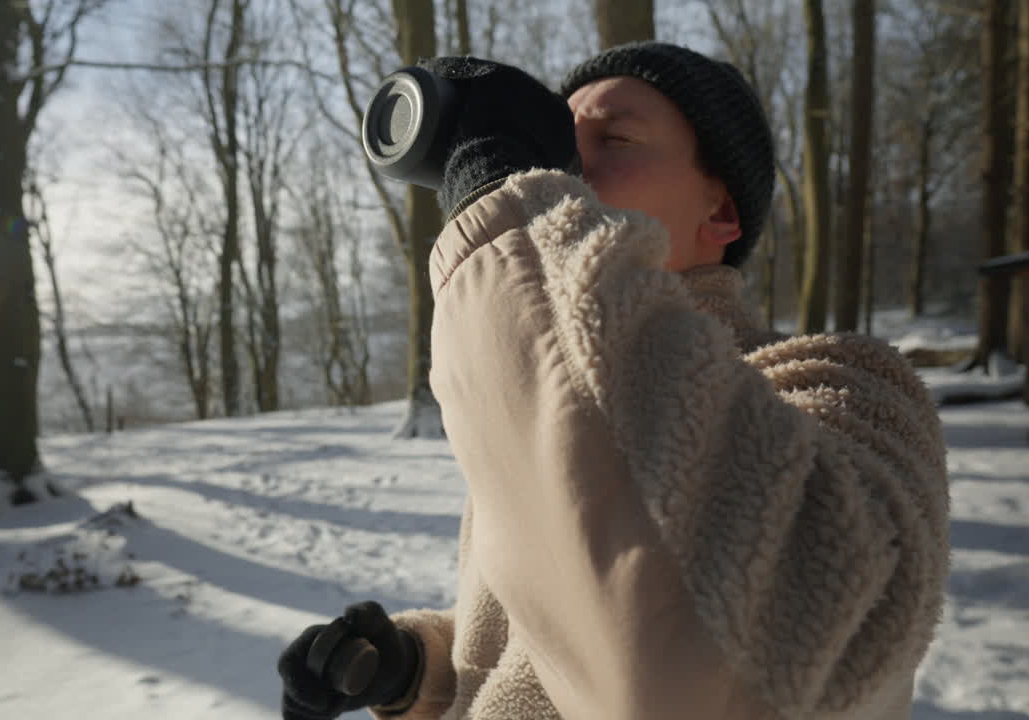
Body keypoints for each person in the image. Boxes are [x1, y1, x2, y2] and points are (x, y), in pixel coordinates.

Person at [277, 41, 950, 720]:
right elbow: (551, 640)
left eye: (616, 137)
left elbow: (728, 669)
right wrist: (415, 670)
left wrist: (506, 210)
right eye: (558, 141)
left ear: (721, 211)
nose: (565, 167)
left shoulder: (845, 385)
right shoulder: (561, 391)